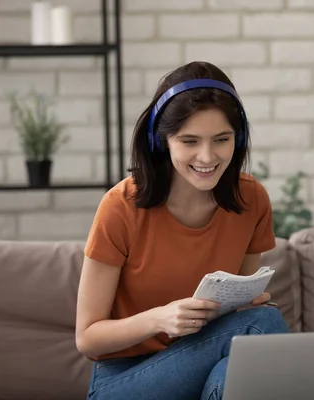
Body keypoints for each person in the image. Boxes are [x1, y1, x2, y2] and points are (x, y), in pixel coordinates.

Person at [75, 61, 289, 400]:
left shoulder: (251, 199)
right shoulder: (120, 206)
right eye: (189, 140)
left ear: (239, 138)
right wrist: (159, 319)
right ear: (162, 142)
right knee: (262, 326)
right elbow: (87, 338)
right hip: (123, 380)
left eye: (222, 139)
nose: (207, 156)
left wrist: (248, 305)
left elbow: (241, 310)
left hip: (203, 367)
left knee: (241, 356)